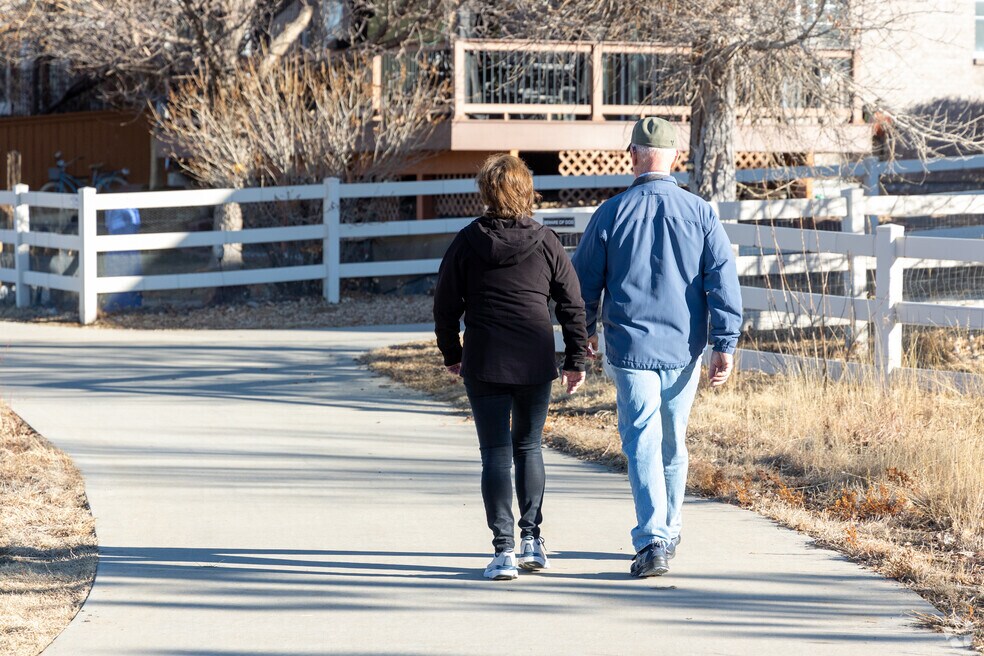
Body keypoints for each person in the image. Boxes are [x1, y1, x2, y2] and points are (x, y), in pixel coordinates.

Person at [571, 117, 743, 578]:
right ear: (674, 158)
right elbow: (722, 280)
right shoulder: (701, 212)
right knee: (671, 439)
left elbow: (583, 282)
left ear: (633, 154)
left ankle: (653, 538)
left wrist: (583, 330)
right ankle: (668, 529)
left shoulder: (610, 212)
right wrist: (724, 343)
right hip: (684, 346)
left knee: (642, 437)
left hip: (629, 345)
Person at [434, 154, 588, 581]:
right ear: (527, 192)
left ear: (485, 192)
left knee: (495, 454)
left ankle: (503, 551)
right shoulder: (546, 240)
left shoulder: (467, 241)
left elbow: (445, 306)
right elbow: (572, 304)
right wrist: (575, 359)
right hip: (535, 358)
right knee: (529, 447)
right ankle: (532, 541)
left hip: (484, 359)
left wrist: (452, 353)